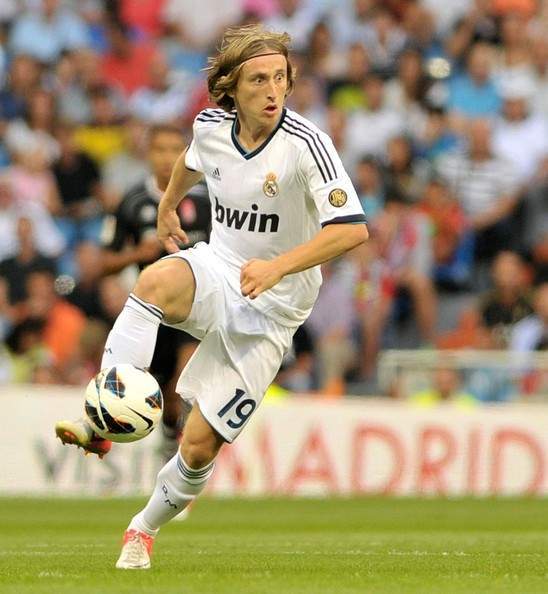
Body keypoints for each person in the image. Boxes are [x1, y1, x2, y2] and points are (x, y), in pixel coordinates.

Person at [55, 24, 368, 569]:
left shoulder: (307, 144)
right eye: (258, 80)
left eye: (280, 78)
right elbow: (190, 160)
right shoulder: (211, 127)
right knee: (152, 283)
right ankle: (102, 420)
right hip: (220, 268)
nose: (273, 91)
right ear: (230, 88)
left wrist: (277, 267)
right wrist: (167, 207)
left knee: (198, 447)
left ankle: (142, 528)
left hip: (275, 308)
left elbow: (352, 230)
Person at [100, 124, 211, 459]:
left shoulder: (207, 198)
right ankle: (169, 433)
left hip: (195, 309)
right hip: (153, 314)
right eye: (160, 150)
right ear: (148, 154)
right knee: (165, 392)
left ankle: (187, 453)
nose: (167, 158)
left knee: (183, 382)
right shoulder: (132, 201)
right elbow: (104, 262)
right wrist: (137, 253)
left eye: (175, 150)